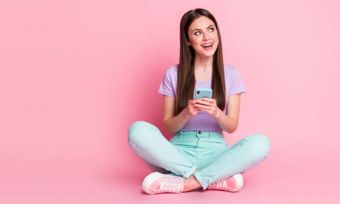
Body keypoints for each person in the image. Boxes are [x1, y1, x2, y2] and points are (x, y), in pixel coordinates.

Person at [128, 8, 270, 195]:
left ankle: (186, 182)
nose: (207, 37)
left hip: (216, 154)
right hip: (178, 154)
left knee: (260, 144)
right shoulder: (173, 74)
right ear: (188, 40)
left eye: (211, 29)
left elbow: (231, 126)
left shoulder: (231, 74)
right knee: (137, 130)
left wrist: (217, 113)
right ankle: (211, 179)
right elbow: (169, 127)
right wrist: (186, 113)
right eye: (197, 33)